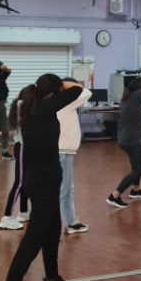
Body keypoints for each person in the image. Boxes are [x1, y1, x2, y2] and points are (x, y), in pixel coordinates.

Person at [0, 75, 85, 281]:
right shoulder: (45, 109)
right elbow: (77, 90)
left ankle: (51, 279)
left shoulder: (34, 110)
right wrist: (65, 84)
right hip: (43, 185)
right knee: (32, 241)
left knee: (53, 231)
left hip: (45, 183)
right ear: (52, 93)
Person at [107, 77, 141, 208]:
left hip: (130, 139)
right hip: (130, 140)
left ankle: (135, 190)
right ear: (140, 89)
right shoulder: (135, 97)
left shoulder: (132, 98)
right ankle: (115, 195)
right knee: (137, 170)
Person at [58, 77, 92, 235]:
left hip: (65, 152)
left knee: (68, 188)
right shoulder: (66, 103)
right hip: (63, 152)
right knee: (63, 190)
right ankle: (58, 226)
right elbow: (86, 92)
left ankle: (71, 221)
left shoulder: (58, 103)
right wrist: (66, 83)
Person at [0, 87, 33, 230]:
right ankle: (6, 218)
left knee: (25, 181)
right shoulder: (22, 105)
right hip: (23, 147)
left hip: (25, 147)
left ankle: (23, 213)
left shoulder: (21, 105)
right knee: (19, 182)